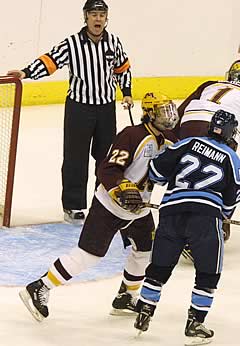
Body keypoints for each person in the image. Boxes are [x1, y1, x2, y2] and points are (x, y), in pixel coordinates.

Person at [18, 92, 179, 322]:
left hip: (139, 209)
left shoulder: (170, 140)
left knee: (145, 250)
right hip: (110, 206)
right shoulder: (132, 136)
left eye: (170, 110)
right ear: (149, 114)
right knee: (89, 255)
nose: (169, 117)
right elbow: (107, 169)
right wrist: (122, 188)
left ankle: (126, 296)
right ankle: (40, 286)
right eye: (163, 112)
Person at [7, 0, 133, 224]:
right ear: (85, 17)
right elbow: (50, 61)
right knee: (76, 157)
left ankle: (102, 201)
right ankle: (73, 206)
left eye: (101, 14)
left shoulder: (113, 42)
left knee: (106, 156)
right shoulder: (72, 43)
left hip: (105, 108)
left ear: (106, 18)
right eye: (93, 14)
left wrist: (127, 92)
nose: (97, 19)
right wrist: (25, 73)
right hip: (79, 108)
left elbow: (123, 68)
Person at [134, 109, 240, 346]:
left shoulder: (189, 142)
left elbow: (156, 171)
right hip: (205, 216)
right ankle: (195, 323)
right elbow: (232, 197)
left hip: (171, 211)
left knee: (160, 265)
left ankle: (145, 310)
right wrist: (223, 216)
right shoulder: (232, 157)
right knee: (208, 271)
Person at [171, 60, 240, 242]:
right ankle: (216, 226)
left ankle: (174, 222)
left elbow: (178, 113)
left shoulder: (210, 84)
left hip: (191, 121)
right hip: (222, 128)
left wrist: (170, 137)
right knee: (224, 177)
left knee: (185, 170)